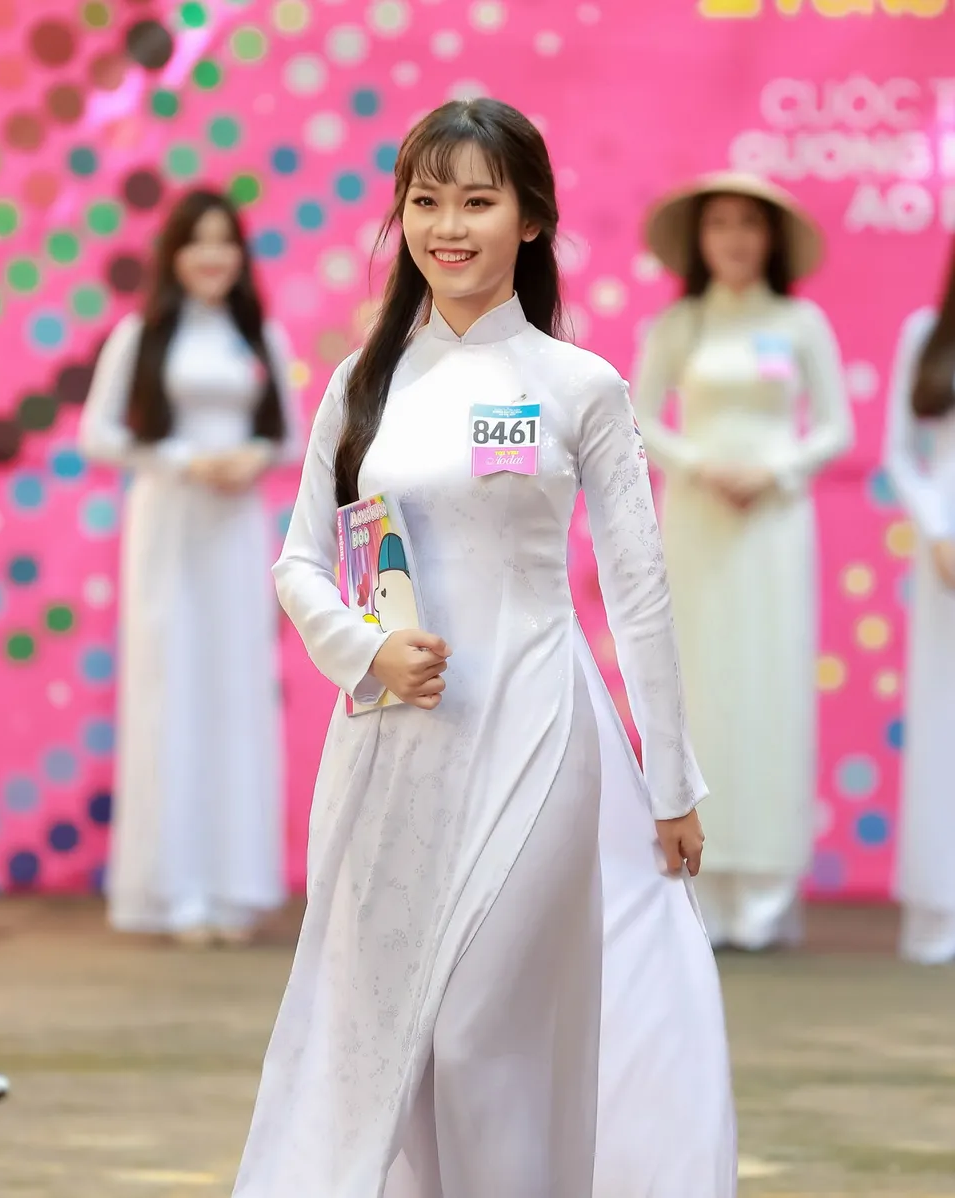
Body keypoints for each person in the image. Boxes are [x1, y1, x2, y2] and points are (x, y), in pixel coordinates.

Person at [232, 99, 736, 1198]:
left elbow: (639, 591)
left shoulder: (579, 385)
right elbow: (301, 563)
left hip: (536, 731)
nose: (447, 227)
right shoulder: (363, 382)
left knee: (477, 1039)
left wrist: (670, 780)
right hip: (390, 753)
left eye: (476, 201)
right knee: (401, 1055)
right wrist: (366, 650)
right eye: (426, 202)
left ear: (532, 218)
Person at [631, 172, 853, 953]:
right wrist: (699, 465)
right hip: (696, 519)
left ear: (772, 239)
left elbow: (837, 427)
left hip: (773, 525)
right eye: (719, 223)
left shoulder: (799, 323)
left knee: (770, 685)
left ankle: (766, 891)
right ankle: (701, 881)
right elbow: (636, 415)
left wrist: (775, 470)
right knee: (698, 683)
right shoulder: (680, 324)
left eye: (748, 224)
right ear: (699, 239)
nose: (733, 238)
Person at [79, 189, 301, 947]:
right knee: (169, 689)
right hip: (169, 525)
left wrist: (254, 458)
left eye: (224, 240)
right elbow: (98, 433)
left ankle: (236, 890)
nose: (212, 255)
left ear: (241, 255)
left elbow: (293, 436)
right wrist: (183, 460)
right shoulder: (141, 334)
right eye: (197, 241)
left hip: (235, 529)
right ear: (173, 254)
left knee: (235, 689)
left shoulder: (259, 335)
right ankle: (173, 891)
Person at [883, 264, 955, 965]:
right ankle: (939, 908)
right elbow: (900, 453)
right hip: (947, 556)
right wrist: (937, 532)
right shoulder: (928, 334)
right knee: (942, 722)